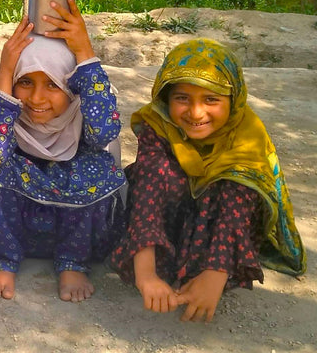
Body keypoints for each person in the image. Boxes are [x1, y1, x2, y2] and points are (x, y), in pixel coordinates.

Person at [109, 39, 306, 322]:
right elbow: (147, 196)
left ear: (233, 99)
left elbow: (237, 209)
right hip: (169, 222)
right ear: (165, 98)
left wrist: (215, 274)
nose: (196, 113)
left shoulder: (246, 135)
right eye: (182, 98)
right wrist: (146, 275)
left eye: (211, 99)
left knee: (235, 185)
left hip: (220, 232)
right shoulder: (158, 124)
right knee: (152, 171)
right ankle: (157, 264)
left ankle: (210, 273)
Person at [0, 0, 125, 302]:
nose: (36, 98)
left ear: (71, 88)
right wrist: (5, 71)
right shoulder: (5, 109)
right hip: (14, 224)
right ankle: (5, 258)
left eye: (52, 85)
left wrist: (84, 53)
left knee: (102, 168)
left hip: (72, 225)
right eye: (25, 82)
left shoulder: (82, 113)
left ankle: (73, 262)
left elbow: (105, 131)